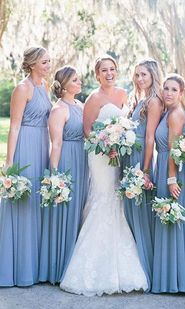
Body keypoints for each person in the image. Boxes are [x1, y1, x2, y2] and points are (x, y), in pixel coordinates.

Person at [60, 55, 148, 296]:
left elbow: (128, 124)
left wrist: (119, 142)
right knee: (103, 197)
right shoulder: (93, 98)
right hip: (100, 156)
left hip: (119, 155)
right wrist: (105, 143)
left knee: (117, 199)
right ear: (97, 74)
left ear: (116, 71)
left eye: (112, 69)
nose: (109, 73)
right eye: (104, 70)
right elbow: (87, 130)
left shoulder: (124, 94)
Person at [0, 46, 51, 286]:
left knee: (36, 205)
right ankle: (15, 270)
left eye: (49, 62)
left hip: (42, 146)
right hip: (26, 147)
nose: (48, 66)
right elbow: (15, 126)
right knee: (22, 204)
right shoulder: (23, 89)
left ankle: (33, 267)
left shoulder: (44, 87)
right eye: (44, 62)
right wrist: (10, 162)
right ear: (32, 64)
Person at [39, 66, 88, 284]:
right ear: (65, 84)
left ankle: (75, 267)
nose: (80, 83)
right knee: (65, 214)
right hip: (67, 161)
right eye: (75, 80)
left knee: (79, 210)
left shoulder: (80, 105)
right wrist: (55, 176)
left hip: (83, 160)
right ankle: (59, 268)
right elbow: (56, 144)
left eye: (79, 79)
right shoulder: (59, 110)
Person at [122, 58, 163, 290]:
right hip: (129, 155)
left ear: (153, 76)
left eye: (144, 75)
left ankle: (145, 268)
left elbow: (149, 138)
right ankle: (134, 265)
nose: (139, 79)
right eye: (136, 75)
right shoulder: (140, 99)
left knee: (139, 212)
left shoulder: (154, 101)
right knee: (130, 210)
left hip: (140, 159)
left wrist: (145, 171)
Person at [152, 73, 185, 294]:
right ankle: (166, 276)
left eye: (174, 90)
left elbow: (174, 151)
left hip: (171, 170)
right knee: (165, 218)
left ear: (181, 93)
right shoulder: (167, 112)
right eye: (166, 88)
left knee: (170, 217)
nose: (168, 93)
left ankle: (173, 279)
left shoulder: (176, 115)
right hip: (164, 167)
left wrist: (171, 179)